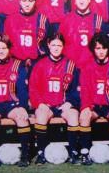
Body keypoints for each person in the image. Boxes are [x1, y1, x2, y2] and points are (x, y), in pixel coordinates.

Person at [29, 33, 81, 165]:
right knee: (40, 116)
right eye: (53, 45)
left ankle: (73, 152)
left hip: (64, 105)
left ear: (63, 47)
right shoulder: (40, 65)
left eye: (59, 45)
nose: (56, 48)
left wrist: (70, 102)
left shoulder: (70, 65)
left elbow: (78, 89)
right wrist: (40, 103)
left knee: (74, 116)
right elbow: (33, 89)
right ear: (48, 45)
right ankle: (41, 152)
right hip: (47, 105)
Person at [0, 33, 30, 167]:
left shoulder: (18, 65)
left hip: (11, 105)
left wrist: (22, 106)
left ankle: (25, 155)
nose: (1, 51)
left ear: (9, 48)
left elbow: (23, 91)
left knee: (21, 116)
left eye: (4, 48)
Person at [79, 33, 109, 165]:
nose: (101, 52)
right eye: (98, 48)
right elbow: (84, 91)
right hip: (94, 106)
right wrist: (86, 107)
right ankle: (85, 153)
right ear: (93, 49)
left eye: (104, 48)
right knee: (84, 116)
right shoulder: (87, 67)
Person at [0, 0, 51, 69]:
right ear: (19, 1)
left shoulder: (43, 20)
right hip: (15, 63)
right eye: (24, 0)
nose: (27, 4)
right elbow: (5, 44)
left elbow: (48, 44)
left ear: (35, 1)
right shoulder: (10, 19)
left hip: (36, 62)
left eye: (31, 0)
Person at [59, 0, 109, 69]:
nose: (81, 1)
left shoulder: (98, 20)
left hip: (91, 67)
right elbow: (60, 43)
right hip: (70, 66)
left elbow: (104, 48)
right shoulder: (66, 20)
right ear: (74, 1)